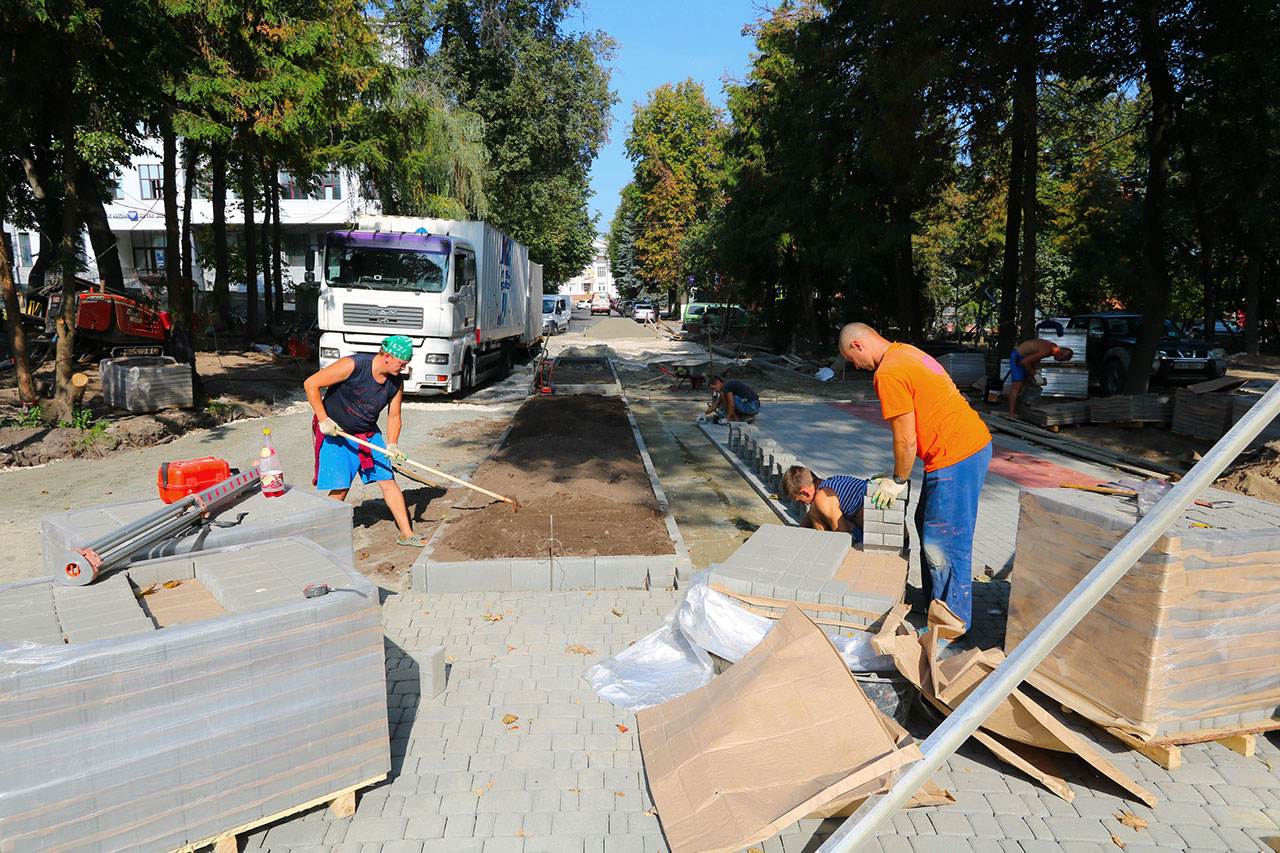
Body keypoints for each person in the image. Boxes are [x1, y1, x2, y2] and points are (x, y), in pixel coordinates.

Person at [838, 322, 992, 635]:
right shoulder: (905, 352)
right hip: (965, 447)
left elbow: (906, 439)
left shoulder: (889, 373)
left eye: (853, 361)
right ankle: (932, 601)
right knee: (927, 522)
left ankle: (952, 626)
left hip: (956, 455)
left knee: (944, 542)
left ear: (858, 345)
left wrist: (898, 479)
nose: (857, 367)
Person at [304, 334, 423, 547]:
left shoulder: (395, 383)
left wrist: (392, 444)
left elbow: (394, 415)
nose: (403, 368)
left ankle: (406, 533)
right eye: (401, 363)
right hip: (336, 432)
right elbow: (311, 384)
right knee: (340, 488)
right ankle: (321, 536)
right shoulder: (354, 365)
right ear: (387, 355)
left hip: (367, 433)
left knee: (388, 481)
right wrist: (324, 420)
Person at [780, 465, 867, 542]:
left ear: (805, 493)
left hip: (874, 534)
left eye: (799, 500)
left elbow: (844, 538)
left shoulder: (822, 498)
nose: (803, 504)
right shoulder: (833, 482)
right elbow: (803, 528)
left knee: (815, 510)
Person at [1007, 339, 1074, 417]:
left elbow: (1036, 357)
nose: (1060, 362)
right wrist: (1034, 374)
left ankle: (1019, 409)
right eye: (1062, 360)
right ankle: (1010, 413)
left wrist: (1037, 371)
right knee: (1016, 385)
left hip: (1026, 357)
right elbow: (1024, 362)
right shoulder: (1047, 350)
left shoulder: (1054, 348)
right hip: (1018, 357)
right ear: (1061, 354)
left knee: (1025, 383)